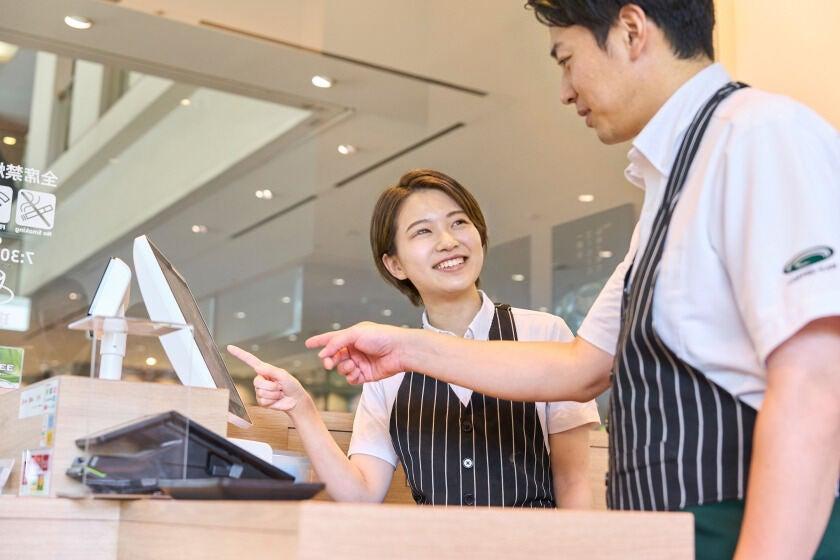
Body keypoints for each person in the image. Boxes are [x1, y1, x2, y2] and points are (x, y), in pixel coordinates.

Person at [306, 2, 840, 558]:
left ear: (631, 31)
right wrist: (406, 346)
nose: (564, 89)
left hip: (747, 530)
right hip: (671, 533)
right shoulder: (669, 191)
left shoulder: (760, 135)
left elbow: (816, 384)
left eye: (566, 59)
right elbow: (580, 366)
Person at [230, 168, 599, 507]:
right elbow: (359, 494)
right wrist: (302, 409)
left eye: (459, 223)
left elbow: (573, 482)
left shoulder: (543, 334)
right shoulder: (386, 367)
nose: (448, 241)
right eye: (423, 231)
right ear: (395, 264)